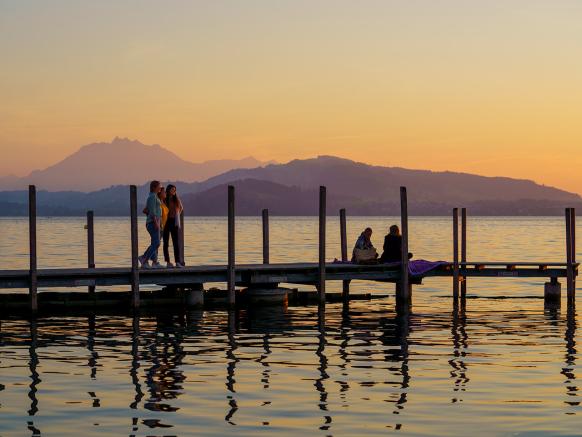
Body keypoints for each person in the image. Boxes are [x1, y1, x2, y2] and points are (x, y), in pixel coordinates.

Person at [138, 180, 164, 269]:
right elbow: (152, 211)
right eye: (159, 186)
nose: (160, 188)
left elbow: (146, 210)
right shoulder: (152, 197)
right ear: (154, 187)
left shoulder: (153, 196)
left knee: (155, 243)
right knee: (156, 243)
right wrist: (156, 223)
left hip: (154, 222)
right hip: (153, 223)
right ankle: (144, 260)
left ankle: (154, 262)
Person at [163, 184, 184, 268]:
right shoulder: (165, 199)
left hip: (174, 221)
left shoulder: (176, 199)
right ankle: (168, 262)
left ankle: (178, 262)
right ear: (168, 190)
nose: (174, 191)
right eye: (172, 189)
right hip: (166, 222)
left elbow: (181, 208)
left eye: (175, 190)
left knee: (176, 242)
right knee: (166, 243)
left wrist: (177, 215)